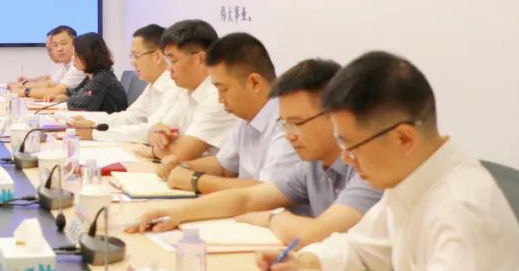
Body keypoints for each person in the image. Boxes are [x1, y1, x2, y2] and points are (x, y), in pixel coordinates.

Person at [256, 51, 519, 271]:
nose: (347, 159)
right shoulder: (411, 179)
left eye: (352, 146)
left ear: (404, 138)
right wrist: (304, 264)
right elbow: (361, 247)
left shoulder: (463, 207)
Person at [127, 59, 382, 247]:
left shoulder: (369, 169)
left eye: (297, 123)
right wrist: (174, 213)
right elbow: (246, 199)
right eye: (284, 124)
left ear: (336, 116)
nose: (290, 134)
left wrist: (272, 218)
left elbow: (317, 233)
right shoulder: (311, 166)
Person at [160, 33, 299, 193]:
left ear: (254, 83)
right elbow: (223, 166)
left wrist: (195, 180)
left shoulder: (287, 121)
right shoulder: (246, 117)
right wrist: (182, 166)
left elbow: (268, 191)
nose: (220, 99)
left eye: (224, 89)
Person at [143, 19, 238, 168]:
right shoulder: (187, 92)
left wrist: (155, 150)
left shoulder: (218, 96)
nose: (168, 69)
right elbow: (155, 130)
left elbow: (179, 154)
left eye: (173, 61)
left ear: (200, 59)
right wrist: (158, 136)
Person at [70, 24, 181, 141]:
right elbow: (129, 118)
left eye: (136, 56)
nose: (133, 62)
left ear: (157, 57)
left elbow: (151, 131)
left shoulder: (174, 86)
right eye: (132, 56)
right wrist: (91, 121)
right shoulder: (153, 85)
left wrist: (95, 133)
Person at [13, 26, 85, 100]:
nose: (59, 49)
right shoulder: (66, 64)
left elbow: (57, 91)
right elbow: (50, 84)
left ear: (75, 44)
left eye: (63, 43)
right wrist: (21, 86)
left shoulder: (79, 64)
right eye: (55, 45)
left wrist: (23, 91)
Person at [64, 32, 128, 114]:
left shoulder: (102, 77)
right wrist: (62, 97)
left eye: (76, 55)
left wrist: (66, 100)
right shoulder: (92, 75)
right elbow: (76, 93)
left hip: (110, 121)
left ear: (89, 56)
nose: (73, 59)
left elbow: (82, 104)